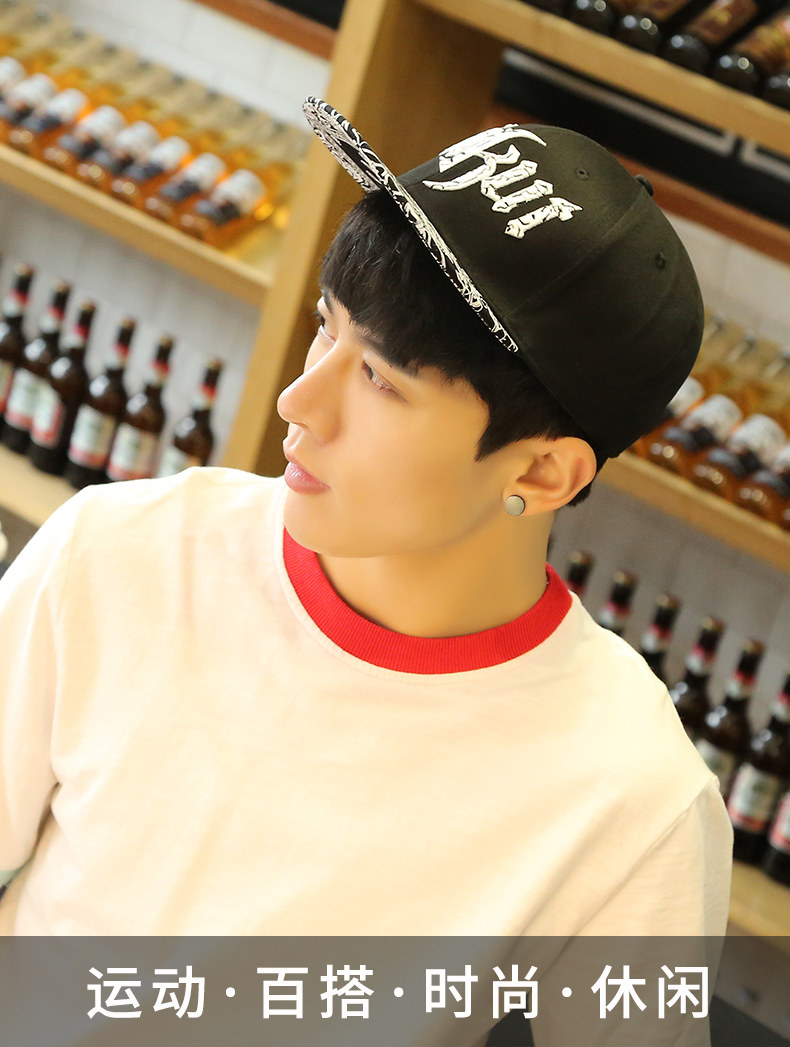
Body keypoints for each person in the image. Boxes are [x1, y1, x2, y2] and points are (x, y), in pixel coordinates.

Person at [0, 97, 731, 1044]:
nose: (299, 400)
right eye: (325, 326)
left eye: (381, 378)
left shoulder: (634, 795)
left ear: (542, 473)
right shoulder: (116, 556)